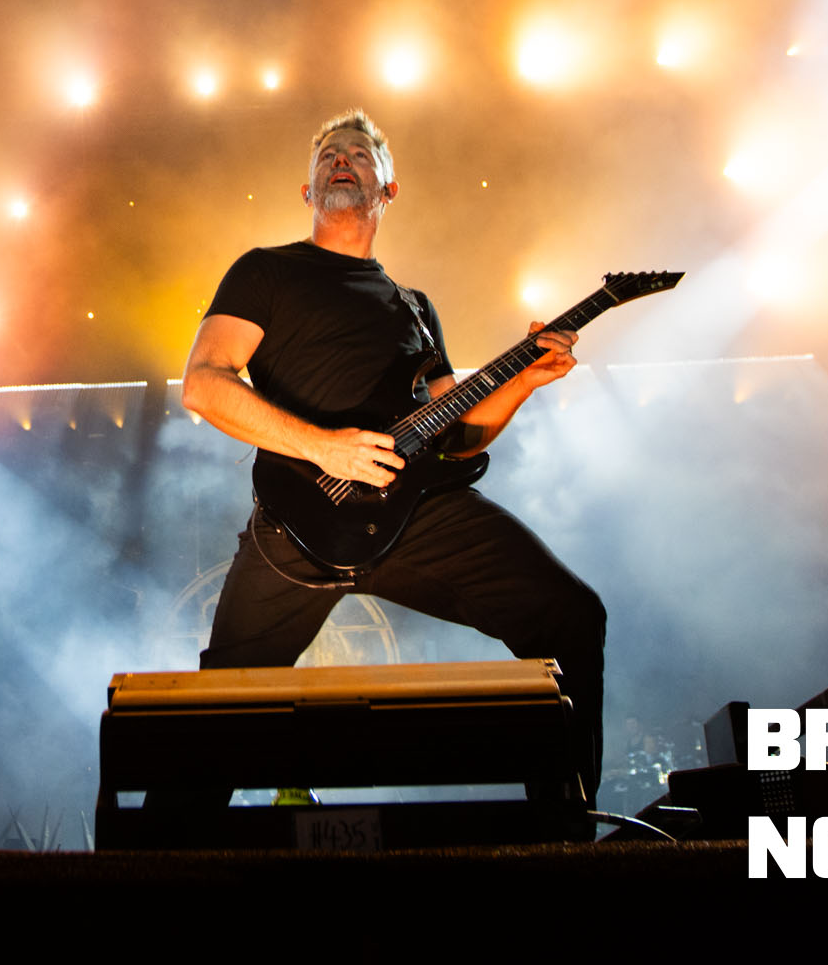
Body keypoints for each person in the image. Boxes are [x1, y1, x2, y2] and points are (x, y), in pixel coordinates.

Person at [179, 111, 606, 803]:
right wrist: (326, 448)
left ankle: (564, 834)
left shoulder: (415, 308)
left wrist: (524, 380)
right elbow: (204, 383)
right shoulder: (266, 271)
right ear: (307, 190)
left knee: (572, 616)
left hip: (414, 515)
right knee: (220, 708)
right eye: (328, 154)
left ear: (389, 189)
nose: (340, 159)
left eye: (358, 152)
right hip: (300, 520)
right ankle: (161, 853)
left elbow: (458, 435)